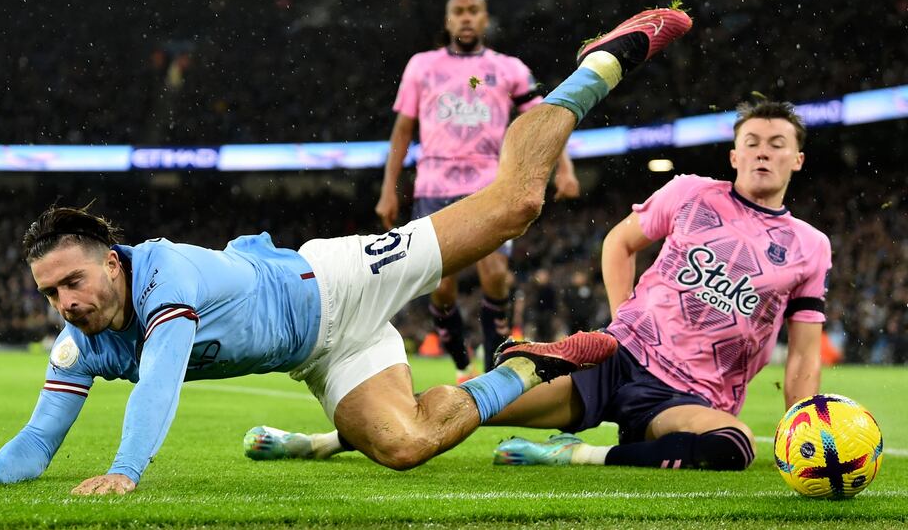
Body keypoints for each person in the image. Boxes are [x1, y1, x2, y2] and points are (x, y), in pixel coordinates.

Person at [0, 7, 691, 494]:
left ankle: (595, 67)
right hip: (320, 349)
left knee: (517, 204)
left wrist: (124, 471)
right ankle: (526, 368)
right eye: (50, 295)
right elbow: (41, 437)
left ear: (111, 259)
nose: (65, 305)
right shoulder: (77, 340)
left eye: (72, 282)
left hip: (338, 281)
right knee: (405, 448)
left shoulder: (163, 276)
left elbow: (157, 387)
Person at [247, 100, 829, 473]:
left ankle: (580, 455)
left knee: (731, 447)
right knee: (464, 405)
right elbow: (619, 243)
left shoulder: (810, 246)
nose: (763, 151)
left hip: (688, 397)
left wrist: (804, 427)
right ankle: (321, 442)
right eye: (753, 141)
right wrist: (624, 318)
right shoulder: (690, 193)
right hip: (615, 357)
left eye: (777, 143)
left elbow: (803, 357)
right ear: (733, 154)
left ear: (799, 160)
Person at [377, 0, 580, 381]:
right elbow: (402, 130)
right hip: (434, 187)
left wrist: (565, 168)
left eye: (473, 10)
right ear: (448, 20)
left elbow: (543, 122)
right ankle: (460, 363)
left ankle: (491, 374)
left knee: (496, 276)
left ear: (485, 19)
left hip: (490, 183)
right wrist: (389, 189)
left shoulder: (509, 68)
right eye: (459, 12)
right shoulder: (422, 66)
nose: (466, 18)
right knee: (441, 288)